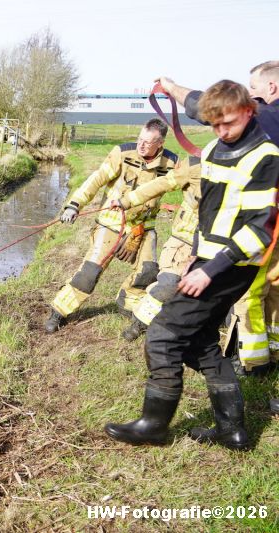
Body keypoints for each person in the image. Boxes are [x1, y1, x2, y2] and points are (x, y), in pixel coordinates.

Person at [105, 80, 279, 450]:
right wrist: (194, 257)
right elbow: (210, 214)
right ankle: (232, 431)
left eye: (229, 122)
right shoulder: (217, 147)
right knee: (200, 342)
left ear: (250, 110)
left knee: (163, 336)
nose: (221, 131)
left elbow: (260, 229)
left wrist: (209, 269)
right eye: (215, 125)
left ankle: (154, 425)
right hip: (209, 259)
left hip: (232, 264)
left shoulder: (265, 156)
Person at [157, 62, 279, 378]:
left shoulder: (264, 116)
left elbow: (199, 104)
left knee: (251, 293)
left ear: (272, 89)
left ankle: (255, 364)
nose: (252, 97)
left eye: (253, 90)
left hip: (263, 223)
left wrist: (171, 88)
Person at [44, 118, 178, 333]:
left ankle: (127, 303)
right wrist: (74, 205)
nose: (141, 145)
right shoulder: (122, 154)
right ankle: (59, 311)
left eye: (148, 142)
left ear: (160, 143)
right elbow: (96, 179)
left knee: (148, 271)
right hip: (111, 224)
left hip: (144, 228)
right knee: (89, 272)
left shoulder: (172, 163)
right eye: (139, 140)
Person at [112, 157, 201, 341]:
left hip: (218, 247)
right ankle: (139, 323)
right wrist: (127, 201)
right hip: (183, 243)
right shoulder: (195, 166)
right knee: (168, 285)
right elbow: (160, 184)